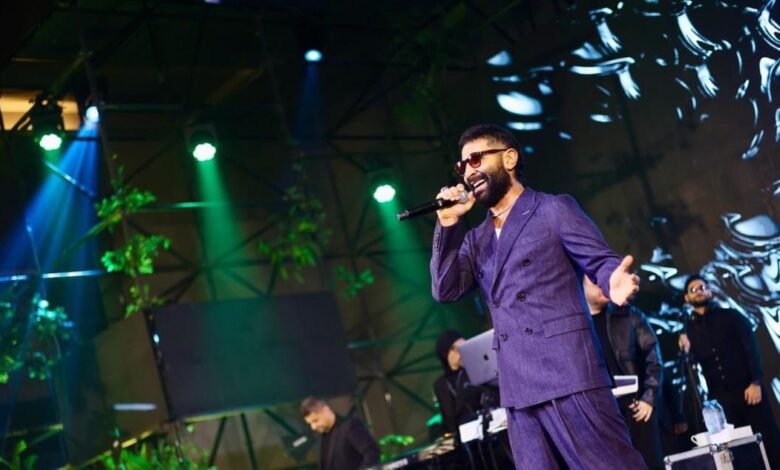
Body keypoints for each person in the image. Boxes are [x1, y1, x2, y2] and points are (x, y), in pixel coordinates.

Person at [430, 123, 646, 469]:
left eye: (476, 159)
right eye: (462, 166)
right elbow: (445, 289)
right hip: (518, 391)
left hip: (568, 374)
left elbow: (600, 261)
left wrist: (612, 281)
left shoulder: (552, 210)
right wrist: (447, 223)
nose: (468, 172)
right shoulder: (475, 239)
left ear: (509, 159)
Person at [678, 274, 780, 467]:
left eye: (702, 287)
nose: (699, 291)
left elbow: (751, 347)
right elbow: (692, 368)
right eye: (693, 289)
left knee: (768, 439)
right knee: (739, 450)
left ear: (710, 291)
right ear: (686, 298)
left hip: (748, 389)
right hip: (722, 400)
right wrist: (686, 350)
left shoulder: (730, 316)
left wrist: (755, 381)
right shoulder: (689, 330)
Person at [583, 276, 664, 469]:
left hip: (635, 410)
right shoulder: (577, 325)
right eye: (594, 282)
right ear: (582, 285)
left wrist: (649, 398)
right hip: (602, 415)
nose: (602, 285)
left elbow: (654, 358)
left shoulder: (629, 315)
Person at [433, 329, 499, 435]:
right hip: (463, 436)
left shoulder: (474, 371)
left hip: (487, 429)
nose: (461, 352)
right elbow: (448, 418)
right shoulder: (441, 384)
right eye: (457, 348)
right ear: (446, 353)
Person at [300, 397, 380, 470]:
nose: (313, 427)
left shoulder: (349, 426)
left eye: (315, 420)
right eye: (310, 424)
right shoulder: (321, 438)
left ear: (326, 410)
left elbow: (372, 452)